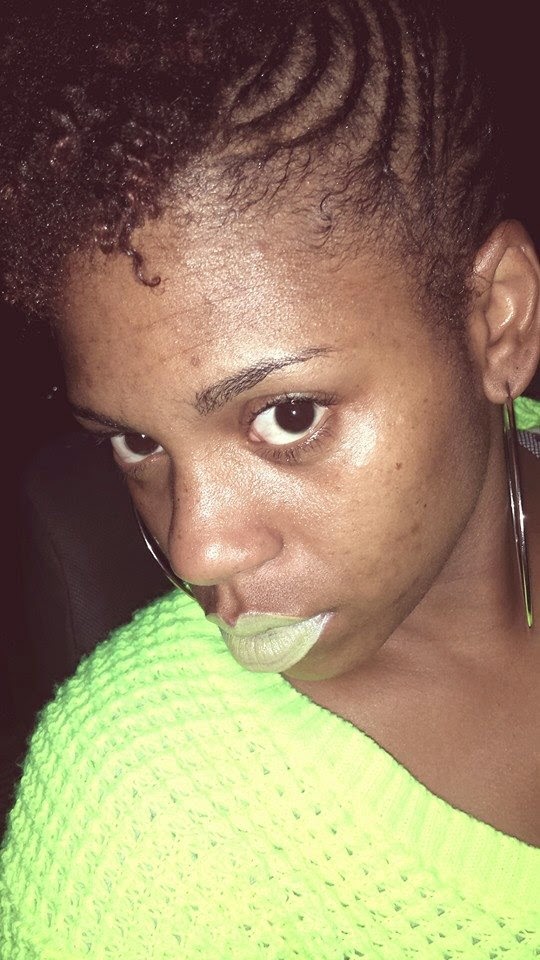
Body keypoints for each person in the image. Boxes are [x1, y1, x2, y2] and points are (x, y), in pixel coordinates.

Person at [0, 0, 539, 956]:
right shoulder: (140, 810)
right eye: (136, 441)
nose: (197, 550)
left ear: (498, 322)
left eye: (290, 416)